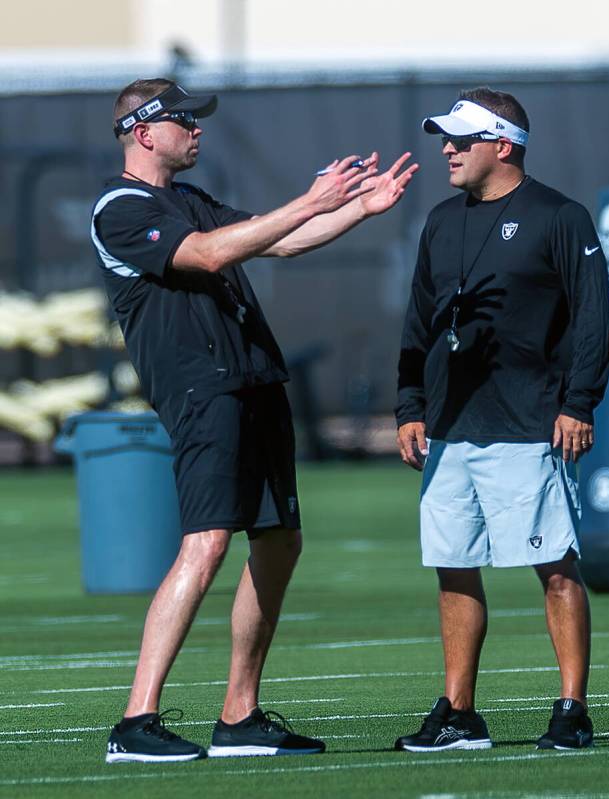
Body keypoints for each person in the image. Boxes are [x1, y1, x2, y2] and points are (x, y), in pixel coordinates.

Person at [91, 77, 418, 763]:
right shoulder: (120, 207)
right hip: (202, 391)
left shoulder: (190, 200)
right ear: (146, 131)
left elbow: (279, 242)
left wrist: (357, 208)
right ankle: (134, 720)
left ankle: (238, 714)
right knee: (206, 543)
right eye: (185, 120)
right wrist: (310, 199)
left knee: (278, 540)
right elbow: (210, 254)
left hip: (254, 383)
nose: (198, 129)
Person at [394, 87, 609, 753]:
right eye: (445, 138)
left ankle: (571, 707)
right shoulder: (439, 220)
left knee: (552, 563)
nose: (447, 149)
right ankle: (459, 711)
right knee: (453, 565)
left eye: (461, 138)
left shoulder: (558, 216)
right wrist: (408, 403)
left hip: (529, 422)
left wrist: (578, 401)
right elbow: (418, 319)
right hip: (451, 427)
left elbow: (592, 315)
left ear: (503, 144)